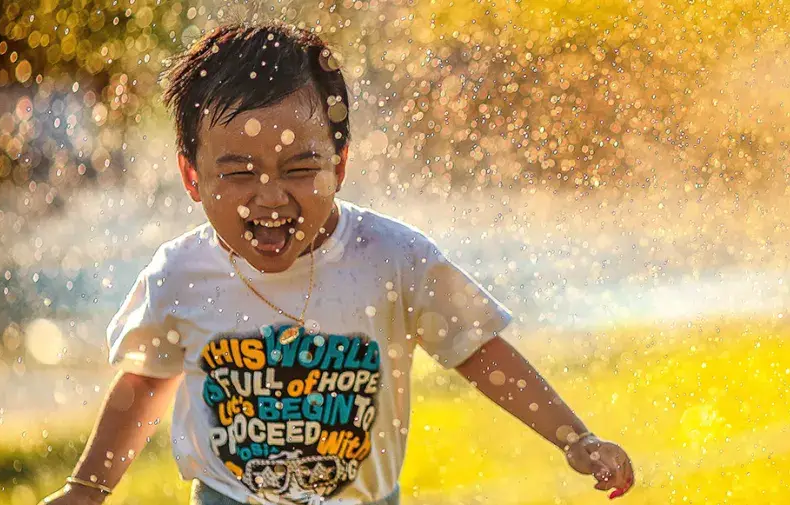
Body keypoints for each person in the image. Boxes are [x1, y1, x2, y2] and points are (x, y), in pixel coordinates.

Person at [39, 21, 634, 505]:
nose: (270, 198)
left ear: (340, 164)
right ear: (192, 176)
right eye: (239, 173)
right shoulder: (181, 275)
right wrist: (85, 489)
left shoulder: (393, 258)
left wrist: (573, 436)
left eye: (299, 169)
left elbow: (478, 349)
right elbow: (145, 382)